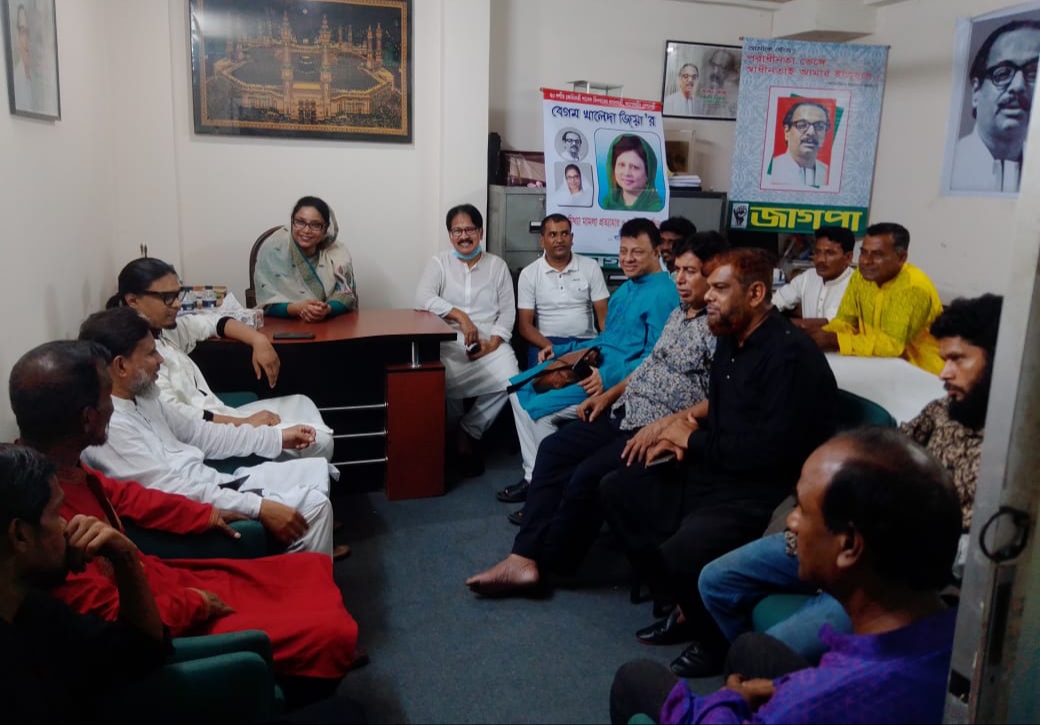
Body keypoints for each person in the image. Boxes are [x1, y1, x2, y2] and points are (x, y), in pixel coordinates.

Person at [6, 344, 362, 695]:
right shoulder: (41, 514)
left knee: (302, 573)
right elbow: (111, 617)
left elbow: (129, 497)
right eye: (105, 399)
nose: (113, 406)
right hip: (162, 611)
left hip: (159, 580)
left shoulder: (58, 468)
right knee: (319, 624)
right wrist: (194, 603)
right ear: (87, 418)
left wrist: (207, 513)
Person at [696, 293, 1001, 663]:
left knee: (769, 652)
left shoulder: (1016, 455)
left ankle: (788, 677)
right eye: (944, 359)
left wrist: (883, 547)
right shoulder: (944, 410)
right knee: (716, 581)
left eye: (958, 359)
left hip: (891, 578)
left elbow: (979, 555)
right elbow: (878, 454)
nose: (944, 373)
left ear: (1001, 362)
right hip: (844, 537)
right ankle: (786, 676)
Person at [610, 427, 963, 725]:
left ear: (849, 546)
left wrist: (731, 700)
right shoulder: (963, 646)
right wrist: (783, 688)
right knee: (750, 649)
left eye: (802, 510)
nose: (791, 522)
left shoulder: (810, 703)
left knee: (636, 679)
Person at [600, 247, 838, 678]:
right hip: (720, 467)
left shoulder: (789, 357)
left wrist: (691, 440)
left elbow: (768, 453)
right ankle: (682, 600)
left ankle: (713, 641)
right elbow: (724, 418)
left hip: (764, 488)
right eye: (709, 287)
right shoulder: (731, 337)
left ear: (756, 294)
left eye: (720, 288)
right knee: (618, 488)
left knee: (680, 550)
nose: (707, 296)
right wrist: (680, 435)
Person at [467, 233, 725, 596]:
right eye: (678, 270)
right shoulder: (679, 314)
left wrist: (664, 427)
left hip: (656, 426)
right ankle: (522, 557)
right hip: (626, 408)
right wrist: (609, 396)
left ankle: (550, 566)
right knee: (553, 450)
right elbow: (650, 364)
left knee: (587, 475)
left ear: (713, 274)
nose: (679, 280)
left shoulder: (719, 328)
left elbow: (720, 396)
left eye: (690, 272)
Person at [76, 307, 344, 559]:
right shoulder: (109, 429)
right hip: (201, 507)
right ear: (121, 366)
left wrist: (276, 438)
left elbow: (201, 433)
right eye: (151, 354)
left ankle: (304, 563)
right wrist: (257, 507)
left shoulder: (143, 396)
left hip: (212, 481)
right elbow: (170, 492)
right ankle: (295, 579)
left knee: (317, 470)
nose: (160, 360)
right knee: (316, 506)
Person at [505, 218, 678, 509]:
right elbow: (606, 338)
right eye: (623, 251)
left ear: (656, 251)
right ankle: (537, 480)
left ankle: (546, 494)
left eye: (637, 252)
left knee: (536, 410)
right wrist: (561, 350)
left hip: (611, 381)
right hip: (594, 364)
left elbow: (656, 359)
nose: (627, 259)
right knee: (517, 386)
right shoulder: (627, 289)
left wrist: (609, 377)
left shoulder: (663, 294)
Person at [0, 444, 170, 723]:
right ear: (20, 536)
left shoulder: (32, 610)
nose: (67, 525)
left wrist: (125, 558)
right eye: (57, 513)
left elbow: (142, 651)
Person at [109, 257, 334, 463]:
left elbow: (213, 322)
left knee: (303, 403)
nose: (177, 304)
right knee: (320, 442)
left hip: (218, 414)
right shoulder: (136, 357)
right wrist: (245, 423)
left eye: (177, 295)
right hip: (208, 431)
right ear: (133, 300)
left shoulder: (163, 331)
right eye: (167, 298)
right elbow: (181, 419)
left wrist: (258, 340)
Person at [415, 203, 520, 478]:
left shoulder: (497, 266)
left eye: (469, 229)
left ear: (481, 232)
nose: (463, 236)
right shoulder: (439, 263)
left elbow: (508, 311)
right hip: (450, 340)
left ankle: (468, 430)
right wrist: (460, 316)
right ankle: (449, 439)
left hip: (489, 341)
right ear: (450, 235)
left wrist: (493, 342)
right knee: (436, 378)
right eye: (457, 231)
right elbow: (423, 298)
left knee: (511, 378)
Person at [810, 222, 944, 374]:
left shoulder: (912, 287)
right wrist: (817, 336)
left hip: (922, 373)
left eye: (878, 254)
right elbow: (845, 321)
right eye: (864, 253)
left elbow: (891, 345)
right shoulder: (860, 276)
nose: (866, 261)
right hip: (877, 366)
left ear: (901, 257)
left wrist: (835, 340)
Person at [950, 20, 1040, 193]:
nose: (1018, 86)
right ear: (976, 91)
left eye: (1034, 73)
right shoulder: (950, 165)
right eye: (1003, 73)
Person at [515, 214, 609, 370]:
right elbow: (525, 327)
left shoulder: (591, 267)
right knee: (544, 381)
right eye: (553, 235)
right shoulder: (529, 273)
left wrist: (605, 346)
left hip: (585, 342)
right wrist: (556, 350)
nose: (559, 240)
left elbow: (604, 320)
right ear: (542, 240)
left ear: (572, 238)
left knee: (595, 378)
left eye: (564, 234)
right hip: (545, 342)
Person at [254, 196, 358, 321]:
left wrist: (327, 309)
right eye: (300, 222)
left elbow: (346, 296)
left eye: (316, 225)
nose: (306, 230)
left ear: (325, 229)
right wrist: (298, 308)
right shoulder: (274, 250)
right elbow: (266, 303)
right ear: (292, 222)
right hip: (282, 326)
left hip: (328, 325)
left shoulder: (337, 252)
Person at [771, 226, 854, 331]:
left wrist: (776, 323)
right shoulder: (809, 276)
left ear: (848, 257)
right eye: (817, 252)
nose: (821, 260)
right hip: (806, 340)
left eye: (830, 253)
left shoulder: (856, 285)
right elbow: (777, 301)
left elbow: (829, 323)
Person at [765, 101, 831, 189]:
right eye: (802, 125)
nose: (811, 132)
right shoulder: (772, 171)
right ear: (787, 131)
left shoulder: (830, 174)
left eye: (819, 126)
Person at [601, 135, 664, 212]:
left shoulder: (658, 207)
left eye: (634, 167)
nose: (626, 173)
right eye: (622, 165)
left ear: (649, 173)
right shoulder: (607, 204)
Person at [697, 48, 740, 118]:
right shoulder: (700, 88)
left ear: (730, 73)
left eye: (722, 67)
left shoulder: (734, 97)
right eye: (713, 65)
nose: (715, 71)